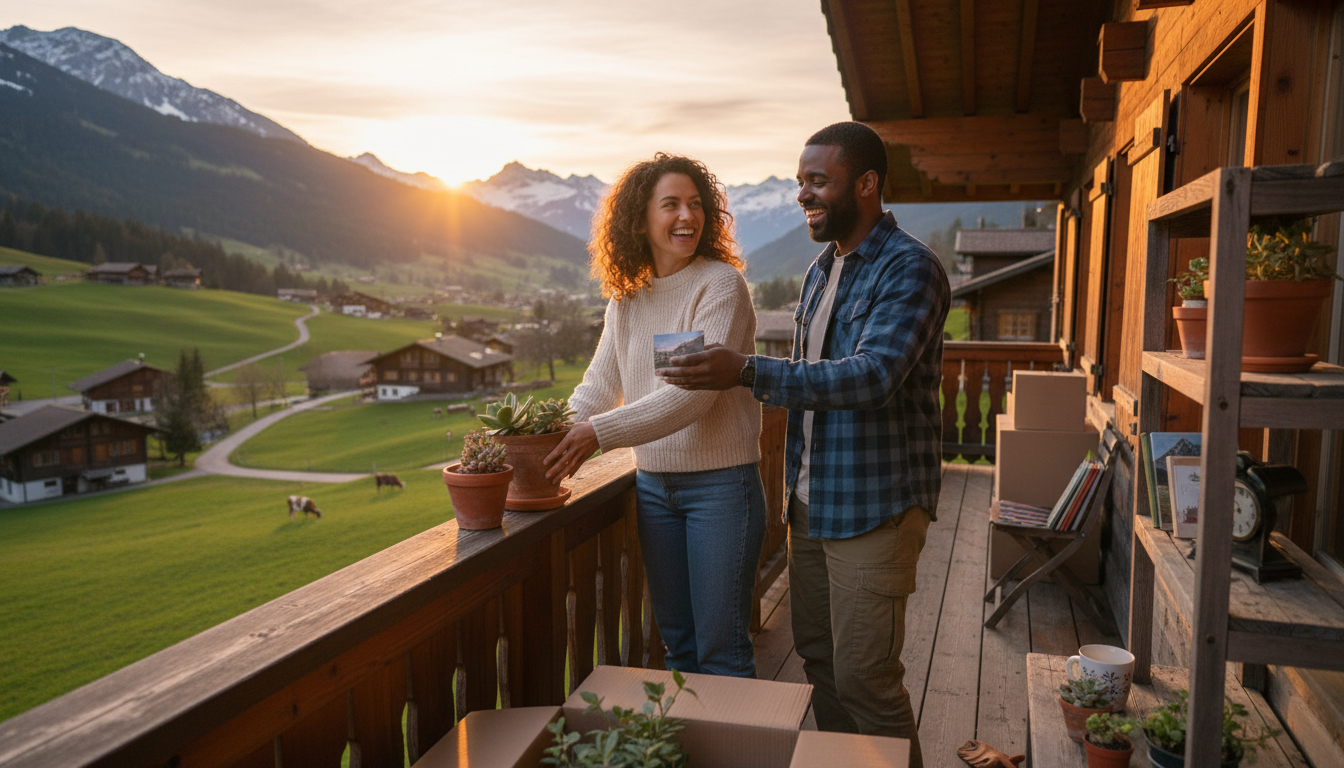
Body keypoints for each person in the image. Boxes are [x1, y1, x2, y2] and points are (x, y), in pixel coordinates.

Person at [657, 122, 950, 767]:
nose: (803, 194)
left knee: (866, 677)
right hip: (811, 505)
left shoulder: (910, 268)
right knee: (820, 661)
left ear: (866, 184)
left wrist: (745, 370)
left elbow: (873, 376)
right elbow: (811, 378)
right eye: (799, 181)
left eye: (817, 181)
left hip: (875, 506)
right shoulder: (821, 271)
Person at [543, 152, 766, 678]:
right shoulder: (626, 300)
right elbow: (598, 388)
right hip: (653, 488)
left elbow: (691, 396)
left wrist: (598, 433)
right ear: (640, 220)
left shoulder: (720, 285)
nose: (687, 216)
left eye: (696, 204)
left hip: (721, 488)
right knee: (679, 648)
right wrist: (545, 437)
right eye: (671, 205)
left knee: (722, 653)